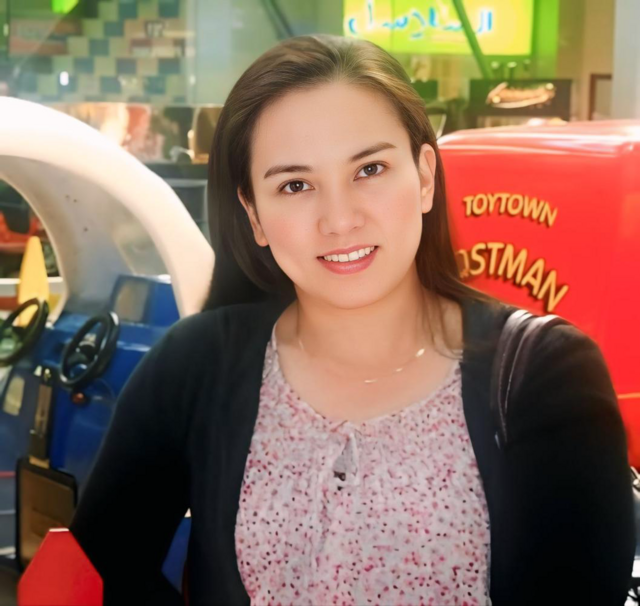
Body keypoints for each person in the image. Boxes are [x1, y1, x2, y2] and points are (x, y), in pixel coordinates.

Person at [69, 34, 635, 606]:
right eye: (295, 185)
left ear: (425, 177)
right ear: (254, 215)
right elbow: (98, 564)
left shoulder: (544, 376)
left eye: (370, 169)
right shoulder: (196, 365)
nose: (339, 220)